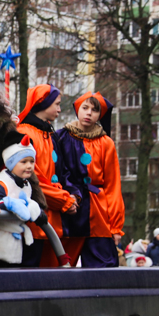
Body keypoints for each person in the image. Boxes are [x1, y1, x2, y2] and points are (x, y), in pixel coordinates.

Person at [55, 92, 125, 267]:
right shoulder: (60, 137)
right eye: (85, 108)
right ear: (77, 109)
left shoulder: (106, 142)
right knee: (62, 265)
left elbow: (113, 184)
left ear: (100, 115)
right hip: (69, 208)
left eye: (94, 110)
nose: (89, 113)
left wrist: (115, 227)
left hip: (97, 212)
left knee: (102, 267)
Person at [16, 84, 78, 267]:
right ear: (43, 103)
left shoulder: (47, 135)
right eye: (56, 104)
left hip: (48, 218)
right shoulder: (24, 133)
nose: (59, 109)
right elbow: (29, 179)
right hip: (31, 222)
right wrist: (63, 200)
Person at [0, 133, 45, 268]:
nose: (29, 166)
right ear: (11, 163)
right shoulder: (0, 182)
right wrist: (10, 205)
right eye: (23, 162)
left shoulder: (26, 185)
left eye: (32, 161)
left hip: (14, 245)